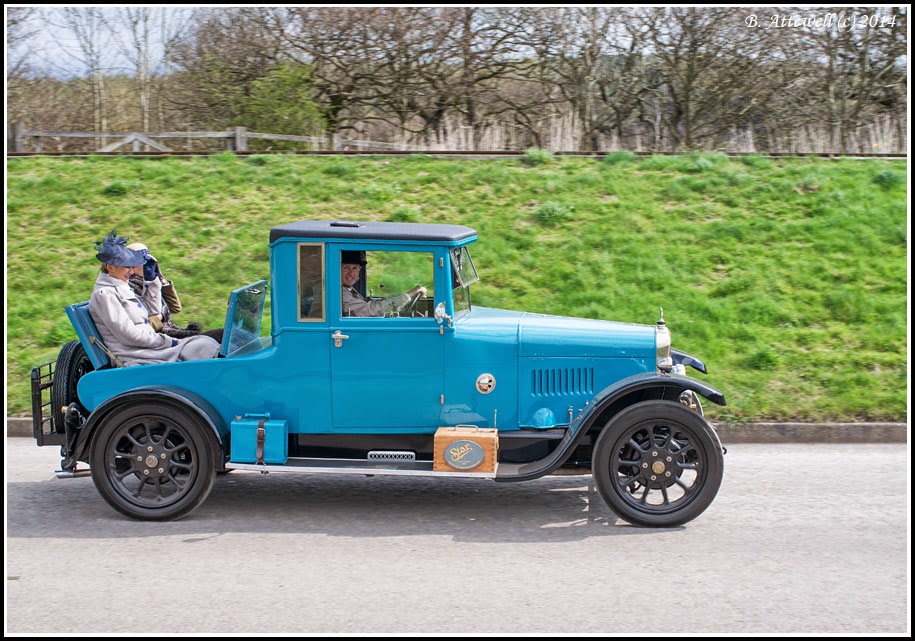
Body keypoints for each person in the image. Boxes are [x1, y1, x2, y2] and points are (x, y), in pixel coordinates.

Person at [88, 230, 220, 366]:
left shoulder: (121, 287)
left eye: (132, 266)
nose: (131, 271)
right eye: (127, 267)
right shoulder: (105, 295)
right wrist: (168, 341)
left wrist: (152, 281)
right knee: (204, 346)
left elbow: (153, 312)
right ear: (110, 267)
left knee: (205, 343)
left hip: (151, 348)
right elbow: (127, 335)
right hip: (139, 355)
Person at [126, 242, 223, 344]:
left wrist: (161, 278)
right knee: (219, 337)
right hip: (160, 339)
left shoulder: (151, 282)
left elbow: (175, 308)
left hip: (172, 332)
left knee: (223, 336)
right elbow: (138, 326)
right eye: (144, 261)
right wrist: (160, 317)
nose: (148, 264)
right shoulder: (129, 288)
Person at [340, 250, 427, 317]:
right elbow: (371, 311)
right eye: (346, 268)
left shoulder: (349, 290)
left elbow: (371, 304)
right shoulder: (340, 293)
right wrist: (408, 295)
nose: (351, 273)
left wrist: (403, 308)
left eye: (355, 268)